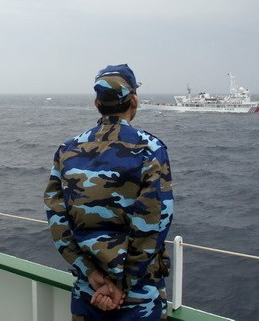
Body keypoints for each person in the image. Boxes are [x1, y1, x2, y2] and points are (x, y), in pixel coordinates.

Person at [43, 64, 174, 320]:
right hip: (138, 297)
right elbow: (155, 221)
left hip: (88, 291)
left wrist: (91, 273)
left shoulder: (67, 150)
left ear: (96, 102)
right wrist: (122, 284)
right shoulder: (150, 149)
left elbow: (57, 218)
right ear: (134, 100)